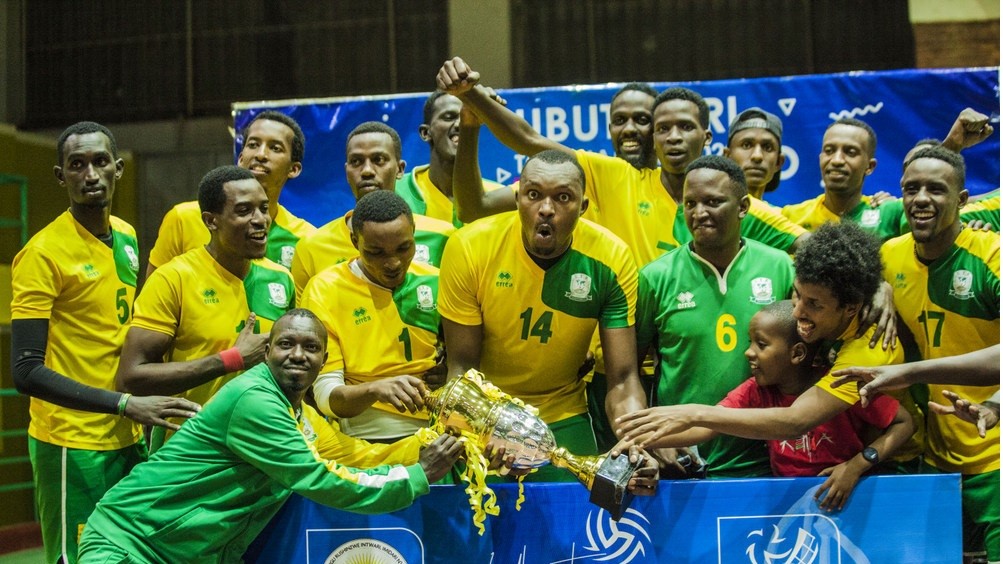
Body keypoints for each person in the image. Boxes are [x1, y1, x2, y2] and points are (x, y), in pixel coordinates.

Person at [78, 309, 463, 564]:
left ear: (323, 360)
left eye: (310, 347)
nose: (298, 354)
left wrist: (437, 446)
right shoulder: (255, 400)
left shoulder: (300, 416)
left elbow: (355, 456)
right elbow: (321, 478)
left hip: (177, 554)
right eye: (285, 344)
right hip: (128, 544)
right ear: (266, 353)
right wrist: (417, 476)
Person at [9, 122, 200, 564]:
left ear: (117, 169)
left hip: (126, 435)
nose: (89, 174)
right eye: (77, 165)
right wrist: (122, 404)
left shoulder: (128, 236)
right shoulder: (43, 254)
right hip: (71, 443)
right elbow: (25, 371)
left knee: (129, 552)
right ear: (61, 176)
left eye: (99, 162)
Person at [437, 56, 808, 267]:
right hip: (610, 351)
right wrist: (471, 98)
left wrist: (867, 289)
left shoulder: (735, 208)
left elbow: (810, 245)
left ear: (707, 138)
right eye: (664, 128)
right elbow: (528, 141)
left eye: (684, 127)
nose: (673, 136)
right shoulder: (610, 175)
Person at [614, 221, 909, 478]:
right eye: (798, 295)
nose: (798, 312)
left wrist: (693, 413)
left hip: (886, 472)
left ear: (850, 308)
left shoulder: (868, 347)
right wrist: (644, 436)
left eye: (814, 305)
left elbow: (795, 421)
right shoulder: (829, 310)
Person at [438, 149, 652, 483]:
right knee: (482, 522)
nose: (546, 210)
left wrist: (636, 442)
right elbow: (462, 368)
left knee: (576, 524)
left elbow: (623, 379)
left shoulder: (611, 258)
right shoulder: (469, 247)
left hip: (562, 409)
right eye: (533, 195)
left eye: (563, 197)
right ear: (518, 197)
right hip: (485, 412)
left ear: (583, 207)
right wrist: (485, 425)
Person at [654, 300, 912, 511]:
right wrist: (645, 438)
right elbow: (706, 425)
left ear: (797, 354)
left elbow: (904, 423)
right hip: (790, 504)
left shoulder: (840, 384)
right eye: (749, 342)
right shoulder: (757, 391)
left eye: (761, 344)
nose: (748, 353)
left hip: (847, 499)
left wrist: (856, 466)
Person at [875, 145, 999, 563]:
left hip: (996, 456)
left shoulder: (991, 255)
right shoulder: (890, 255)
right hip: (936, 462)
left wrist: (911, 372)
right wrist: (880, 287)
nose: (921, 198)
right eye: (911, 189)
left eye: (936, 189)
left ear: (963, 201)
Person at [635, 155, 795, 477]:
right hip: (681, 464)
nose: (699, 213)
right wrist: (651, 437)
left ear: (743, 207)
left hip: (765, 464)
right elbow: (630, 374)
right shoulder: (656, 277)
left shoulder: (781, 267)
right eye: (690, 203)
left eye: (713, 202)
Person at [117, 166, 295, 448]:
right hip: (191, 448)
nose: (260, 220)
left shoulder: (281, 279)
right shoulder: (173, 278)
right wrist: (232, 359)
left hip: (262, 446)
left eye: (264, 208)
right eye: (244, 211)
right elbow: (131, 378)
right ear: (211, 221)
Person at [303, 190, 444, 442]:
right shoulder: (324, 290)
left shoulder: (437, 280)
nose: (393, 263)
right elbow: (325, 397)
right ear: (355, 242)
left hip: (443, 428)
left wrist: (452, 372)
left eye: (404, 248)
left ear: (414, 232)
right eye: (376, 253)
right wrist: (376, 390)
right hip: (366, 435)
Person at [290, 121, 454, 294]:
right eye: (356, 161)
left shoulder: (443, 237)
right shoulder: (311, 248)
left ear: (400, 169)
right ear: (347, 172)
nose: (367, 170)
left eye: (378, 160)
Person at [147, 111, 316, 274]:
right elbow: (154, 295)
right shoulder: (184, 219)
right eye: (253, 145)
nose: (261, 154)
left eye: (275, 148)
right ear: (241, 159)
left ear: (293, 169)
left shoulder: (305, 239)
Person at [782, 118, 907, 242]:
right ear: (820, 158)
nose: (837, 160)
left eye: (850, 152)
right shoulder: (790, 216)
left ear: (869, 166)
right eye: (829, 151)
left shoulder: (891, 213)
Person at [395, 91, 506, 227]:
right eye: (449, 117)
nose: (461, 124)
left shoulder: (497, 198)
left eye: (469, 117)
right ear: (426, 133)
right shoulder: (396, 193)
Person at [723, 107, 786, 200]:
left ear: (779, 162)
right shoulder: (705, 212)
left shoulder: (778, 214)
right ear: (727, 156)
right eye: (746, 145)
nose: (757, 156)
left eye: (767, 147)